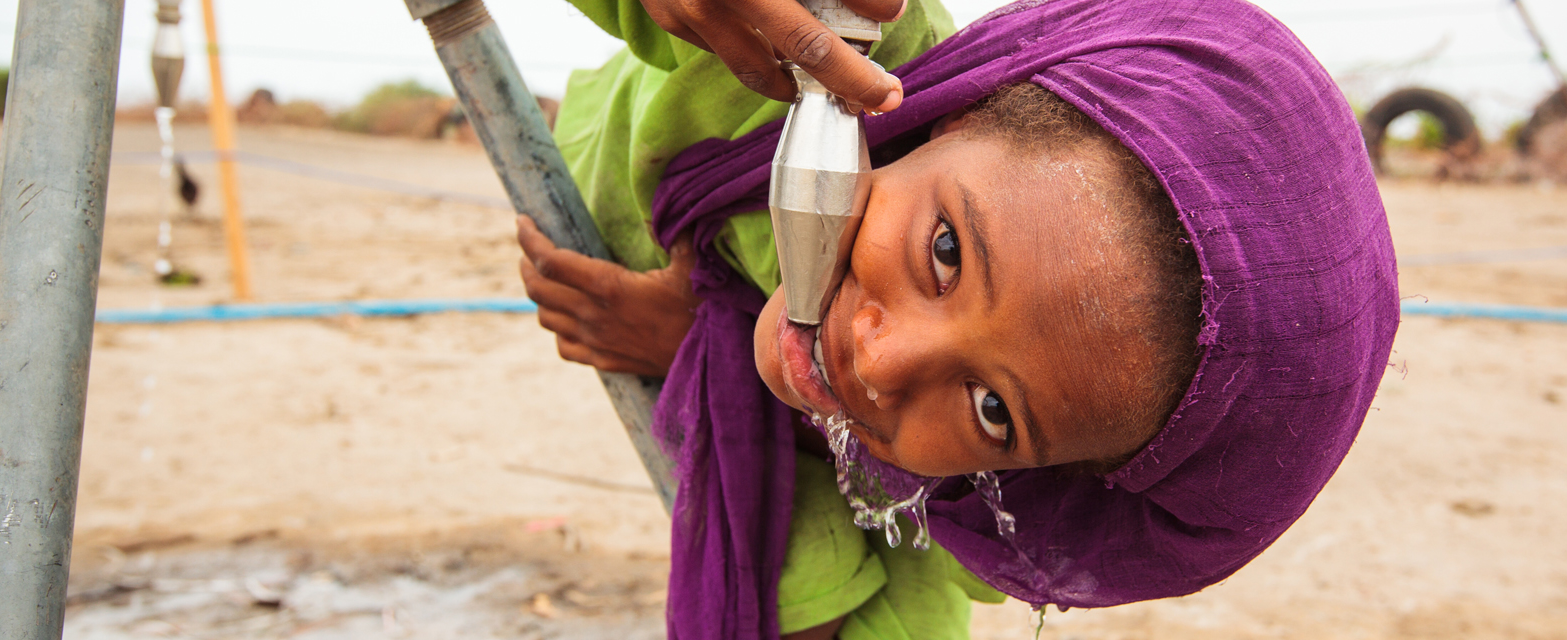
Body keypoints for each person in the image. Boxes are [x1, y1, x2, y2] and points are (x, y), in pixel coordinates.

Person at [517, 0, 1400, 638]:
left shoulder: (938, 500)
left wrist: (687, 349)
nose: (884, 364)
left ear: (1042, 475)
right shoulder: (832, 50)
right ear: (962, 113)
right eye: (945, 252)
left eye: (993, 412)